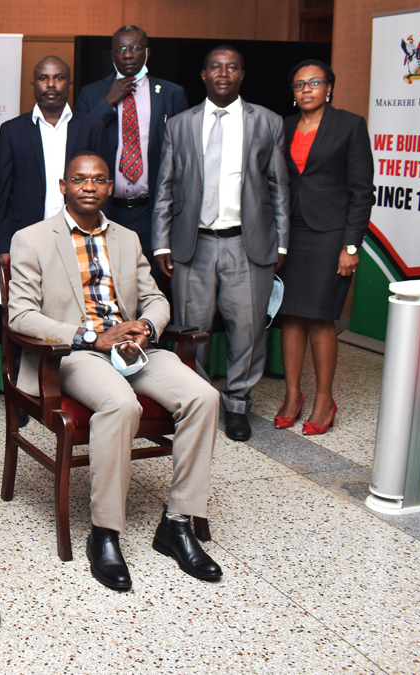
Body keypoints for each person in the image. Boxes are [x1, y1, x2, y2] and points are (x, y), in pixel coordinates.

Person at [7, 152, 222, 591]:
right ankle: (105, 533)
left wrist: (146, 326)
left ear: (111, 189)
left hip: (131, 348)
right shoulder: (31, 239)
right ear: (64, 186)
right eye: (80, 179)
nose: (90, 186)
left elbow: (156, 298)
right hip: (74, 353)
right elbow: (21, 316)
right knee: (120, 404)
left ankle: (177, 524)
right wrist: (88, 336)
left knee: (205, 397)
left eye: (100, 180)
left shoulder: (127, 238)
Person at [153, 45, 290, 442]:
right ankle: (197, 402)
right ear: (203, 75)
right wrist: (161, 244)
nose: (223, 73)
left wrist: (280, 244)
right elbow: (165, 188)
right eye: (216, 67)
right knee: (191, 329)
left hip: (248, 244)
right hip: (193, 244)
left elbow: (280, 188)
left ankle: (236, 406)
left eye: (232, 67)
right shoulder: (180, 123)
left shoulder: (267, 121)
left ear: (242, 75)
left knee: (246, 329)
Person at [274, 60, 375, 436]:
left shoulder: (350, 125)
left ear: (329, 87)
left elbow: (362, 190)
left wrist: (351, 244)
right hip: (290, 233)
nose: (307, 89)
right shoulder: (282, 127)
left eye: (315, 82)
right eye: (299, 84)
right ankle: (291, 395)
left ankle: (323, 399)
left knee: (319, 316)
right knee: (291, 315)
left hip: (331, 234)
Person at [75, 25, 188, 271]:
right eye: (121, 49)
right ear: (113, 55)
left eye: (135, 48)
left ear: (147, 52)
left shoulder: (171, 93)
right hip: (105, 208)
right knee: (104, 278)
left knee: (150, 282)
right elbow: (78, 141)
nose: (128, 54)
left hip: (152, 212)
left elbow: (183, 155)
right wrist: (108, 102)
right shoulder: (92, 93)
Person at [0, 56, 107, 262]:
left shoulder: (92, 128)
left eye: (59, 78)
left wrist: (101, 235)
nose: (51, 84)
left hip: (81, 235)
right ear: (33, 85)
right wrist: (2, 246)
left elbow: (103, 188)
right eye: (44, 78)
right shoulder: (12, 131)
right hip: (27, 235)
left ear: (70, 85)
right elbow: (1, 195)